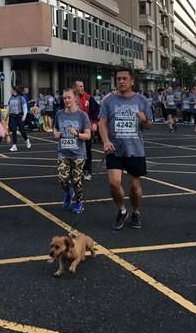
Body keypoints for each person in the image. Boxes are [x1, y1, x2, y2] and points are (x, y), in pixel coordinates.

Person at [98, 67, 153, 231]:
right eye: (119, 79)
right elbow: (102, 123)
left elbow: (149, 125)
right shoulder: (108, 101)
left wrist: (144, 120)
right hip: (114, 149)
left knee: (134, 187)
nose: (121, 81)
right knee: (114, 183)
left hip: (135, 149)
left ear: (132, 81)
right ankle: (122, 210)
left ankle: (135, 212)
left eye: (124, 79)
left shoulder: (142, 101)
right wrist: (106, 140)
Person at [54, 88, 91, 215]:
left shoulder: (82, 115)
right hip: (63, 152)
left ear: (75, 98)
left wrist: (77, 134)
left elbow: (88, 135)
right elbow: (55, 129)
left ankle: (79, 202)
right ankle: (69, 193)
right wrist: (56, 134)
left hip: (78, 153)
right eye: (64, 98)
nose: (66, 100)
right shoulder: (59, 114)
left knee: (76, 180)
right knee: (63, 179)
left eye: (69, 97)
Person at [74, 80, 100, 181]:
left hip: (86, 129)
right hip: (73, 129)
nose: (82, 88)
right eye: (80, 86)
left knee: (87, 151)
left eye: (83, 86)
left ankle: (87, 171)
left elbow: (96, 110)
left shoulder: (89, 98)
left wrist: (94, 123)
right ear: (75, 87)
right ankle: (75, 171)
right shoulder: (70, 98)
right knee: (73, 150)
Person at [7, 86, 31, 152]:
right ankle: (14, 145)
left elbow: (25, 107)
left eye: (11, 90)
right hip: (13, 116)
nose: (10, 91)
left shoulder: (21, 98)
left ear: (15, 90)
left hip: (19, 116)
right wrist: (6, 115)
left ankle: (27, 140)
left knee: (21, 130)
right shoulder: (10, 98)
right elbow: (9, 107)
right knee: (14, 130)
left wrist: (24, 115)